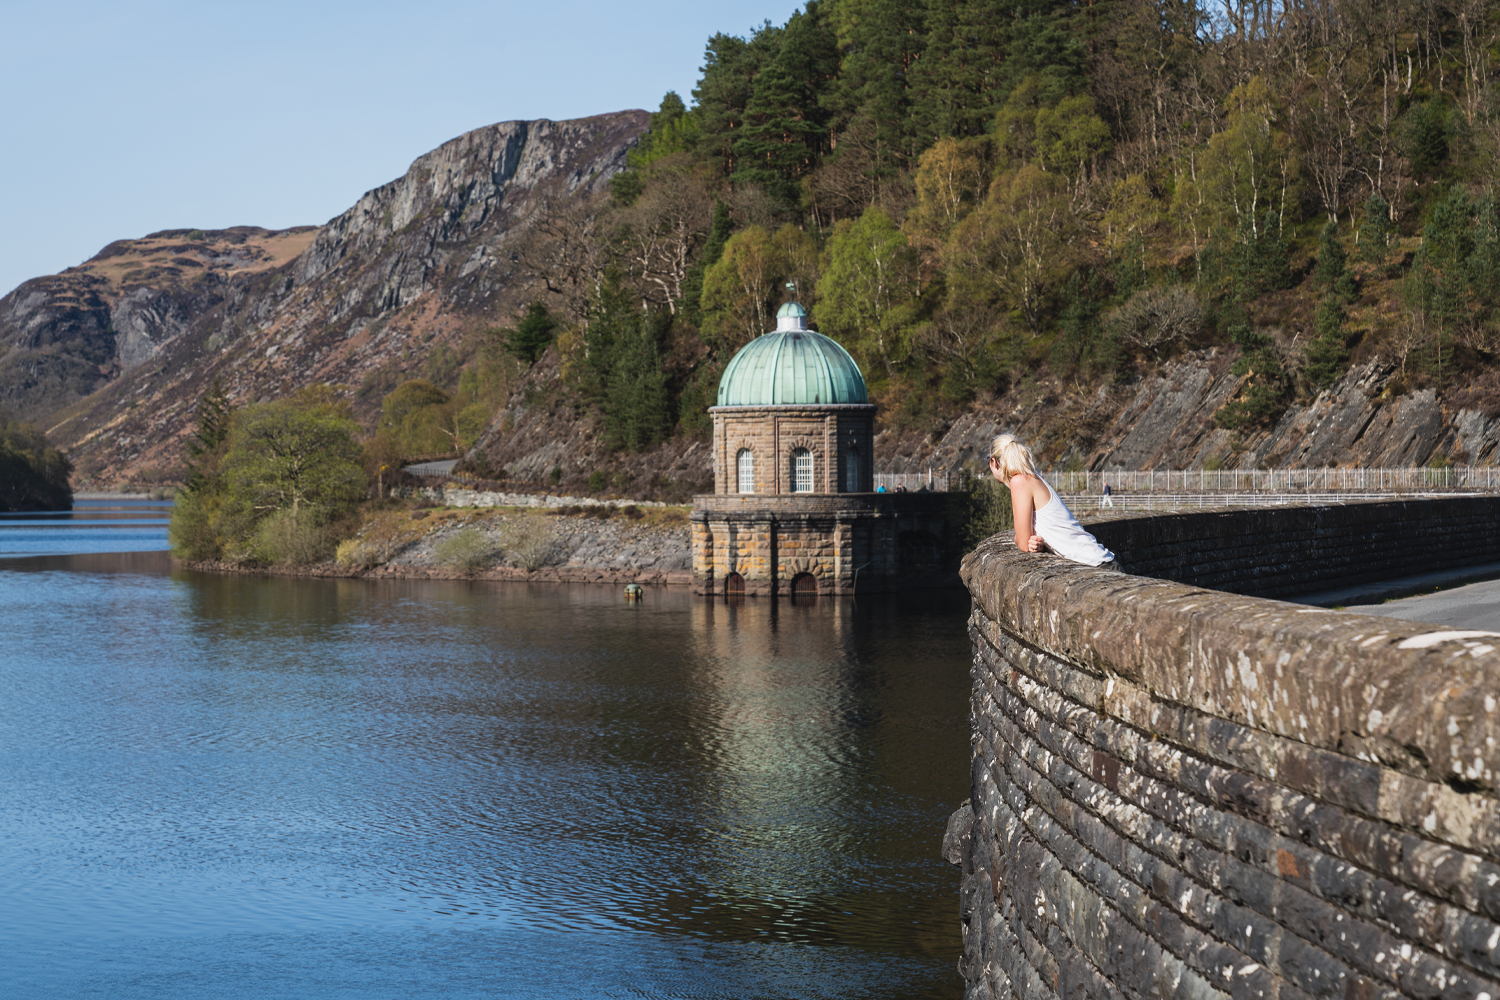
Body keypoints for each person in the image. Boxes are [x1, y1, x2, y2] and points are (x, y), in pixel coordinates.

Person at [988, 434, 1119, 569]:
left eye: (988, 460)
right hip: (1097, 561)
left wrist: (1019, 539)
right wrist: (1037, 542)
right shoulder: (1032, 477)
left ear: (995, 462)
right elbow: (1031, 540)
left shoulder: (1019, 481)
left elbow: (1022, 543)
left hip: (1096, 565)